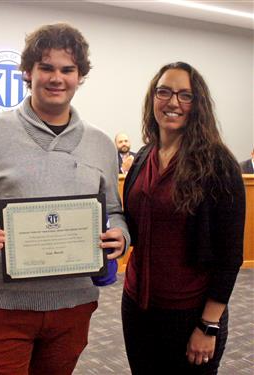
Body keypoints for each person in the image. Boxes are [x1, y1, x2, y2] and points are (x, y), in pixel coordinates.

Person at [0, 23, 129, 374]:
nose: (56, 78)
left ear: (79, 77)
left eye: (67, 69)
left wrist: (121, 234)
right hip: (3, 304)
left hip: (74, 304)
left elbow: (115, 211)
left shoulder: (101, 143)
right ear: (28, 72)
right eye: (46, 67)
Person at [122, 62, 245, 374]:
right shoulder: (142, 157)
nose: (173, 102)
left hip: (191, 313)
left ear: (197, 104)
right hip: (138, 306)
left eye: (185, 95)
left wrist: (209, 326)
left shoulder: (219, 165)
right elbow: (134, 227)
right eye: (164, 92)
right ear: (153, 98)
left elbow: (230, 256)